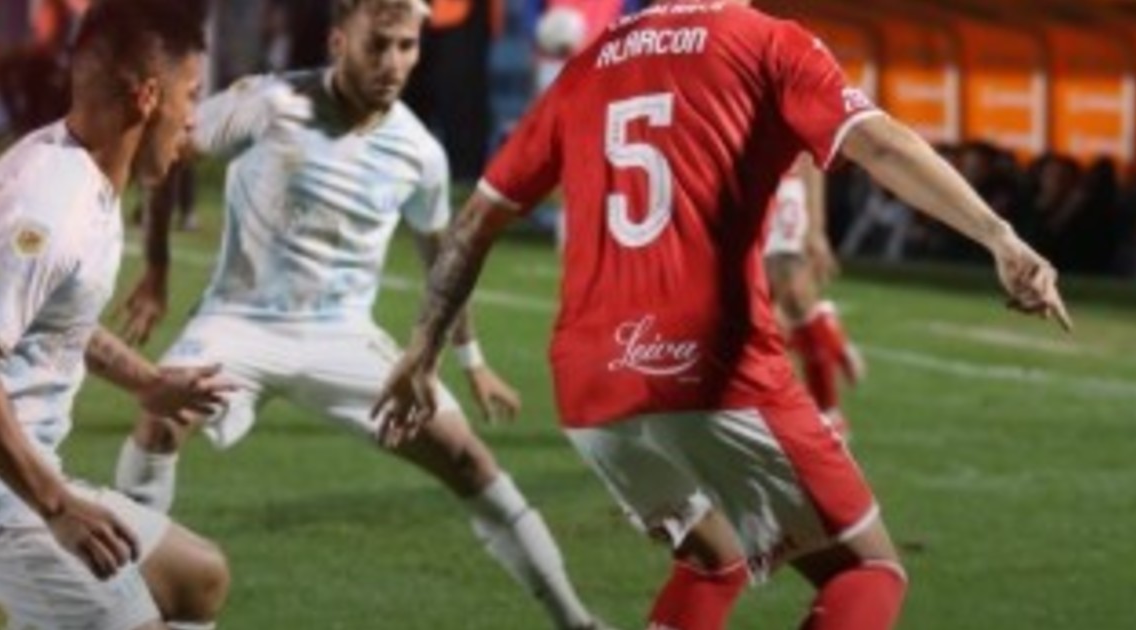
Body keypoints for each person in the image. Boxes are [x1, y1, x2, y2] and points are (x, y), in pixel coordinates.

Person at [373, 1, 1071, 628]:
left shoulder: (590, 63)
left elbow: (474, 222)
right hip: (708, 366)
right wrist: (998, 235)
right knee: (868, 571)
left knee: (716, 559)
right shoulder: (768, 41)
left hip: (589, 387)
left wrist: (423, 350)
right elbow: (881, 145)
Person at [113, 1, 610, 628]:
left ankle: (577, 621)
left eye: (406, 46)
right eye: (378, 45)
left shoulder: (419, 152)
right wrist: (156, 270)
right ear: (338, 42)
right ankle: (118, 605)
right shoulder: (270, 102)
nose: (393, 63)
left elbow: (444, 265)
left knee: (468, 459)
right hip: (238, 322)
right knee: (160, 420)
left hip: (343, 337)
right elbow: (166, 151)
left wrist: (472, 361)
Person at [0, 1, 232, 628]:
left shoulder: (81, 180)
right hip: (7, 505)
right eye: (191, 95)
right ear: (149, 97)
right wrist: (56, 506)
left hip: (23, 479)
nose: (194, 120)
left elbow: (56, 322)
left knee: (198, 577)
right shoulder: (49, 209)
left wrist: (148, 383)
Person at [764, 154, 863, 436]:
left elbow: (810, 154)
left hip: (782, 189)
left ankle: (828, 413)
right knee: (761, 310)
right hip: (731, 189)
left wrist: (816, 228)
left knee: (792, 294)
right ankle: (825, 326)